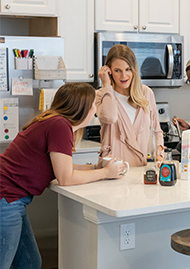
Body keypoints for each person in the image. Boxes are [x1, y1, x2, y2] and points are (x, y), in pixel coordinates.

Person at [0, 83, 126, 269]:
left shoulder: (54, 121)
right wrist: (106, 172)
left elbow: (61, 167)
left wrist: (94, 168)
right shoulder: (60, 126)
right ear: (82, 108)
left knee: (30, 263)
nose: (95, 110)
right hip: (7, 199)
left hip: (11, 198)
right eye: (94, 104)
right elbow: (65, 178)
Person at [96, 44, 164, 167]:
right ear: (109, 71)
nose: (124, 76)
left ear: (134, 69)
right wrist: (106, 85)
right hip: (114, 170)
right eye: (117, 70)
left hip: (143, 169)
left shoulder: (146, 93)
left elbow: (156, 130)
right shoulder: (101, 95)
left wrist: (159, 155)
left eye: (128, 69)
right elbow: (110, 117)